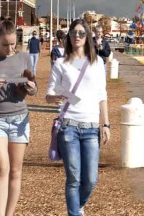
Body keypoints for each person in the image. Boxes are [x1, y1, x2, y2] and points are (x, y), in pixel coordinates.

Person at [46, 19, 110, 216]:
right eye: (74, 33)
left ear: (88, 36)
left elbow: (102, 94)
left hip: (91, 127)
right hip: (68, 127)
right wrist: (54, 97)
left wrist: (106, 124)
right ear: (69, 36)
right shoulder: (60, 63)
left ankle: (78, 206)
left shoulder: (97, 62)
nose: (77, 36)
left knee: (91, 179)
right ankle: (74, 213)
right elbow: (49, 93)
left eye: (82, 33)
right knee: (73, 178)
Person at [0, 20, 38, 216]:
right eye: (5, 44)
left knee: (16, 171)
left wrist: (31, 87)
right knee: (2, 169)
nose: (9, 48)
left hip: (19, 118)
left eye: (13, 44)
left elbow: (34, 89)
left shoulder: (24, 58)